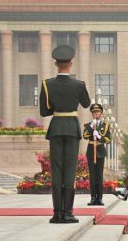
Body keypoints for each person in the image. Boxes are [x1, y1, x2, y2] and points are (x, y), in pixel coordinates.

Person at [39, 45, 91, 224]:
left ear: (55, 63)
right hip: (72, 128)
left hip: (56, 128)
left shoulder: (47, 84)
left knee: (56, 170)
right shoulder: (79, 85)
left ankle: (57, 213)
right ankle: (68, 212)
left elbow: (44, 112)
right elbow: (86, 104)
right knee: (70, 170)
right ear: (71, 63)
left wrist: (57, 107)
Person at [83, 104, 111, 206]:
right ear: (92, 113)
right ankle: (92, 198)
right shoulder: (88, 125)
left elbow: (108, 139)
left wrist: (99, 136)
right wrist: (91, 128)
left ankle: (100, 198)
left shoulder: (105, 125)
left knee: (99, 176)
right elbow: (85, 136)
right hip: (91, 151)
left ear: (101, 113)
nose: (95, 113)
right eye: (94, 112)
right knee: (92, 176)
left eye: (97, 112)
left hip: (100, 151)